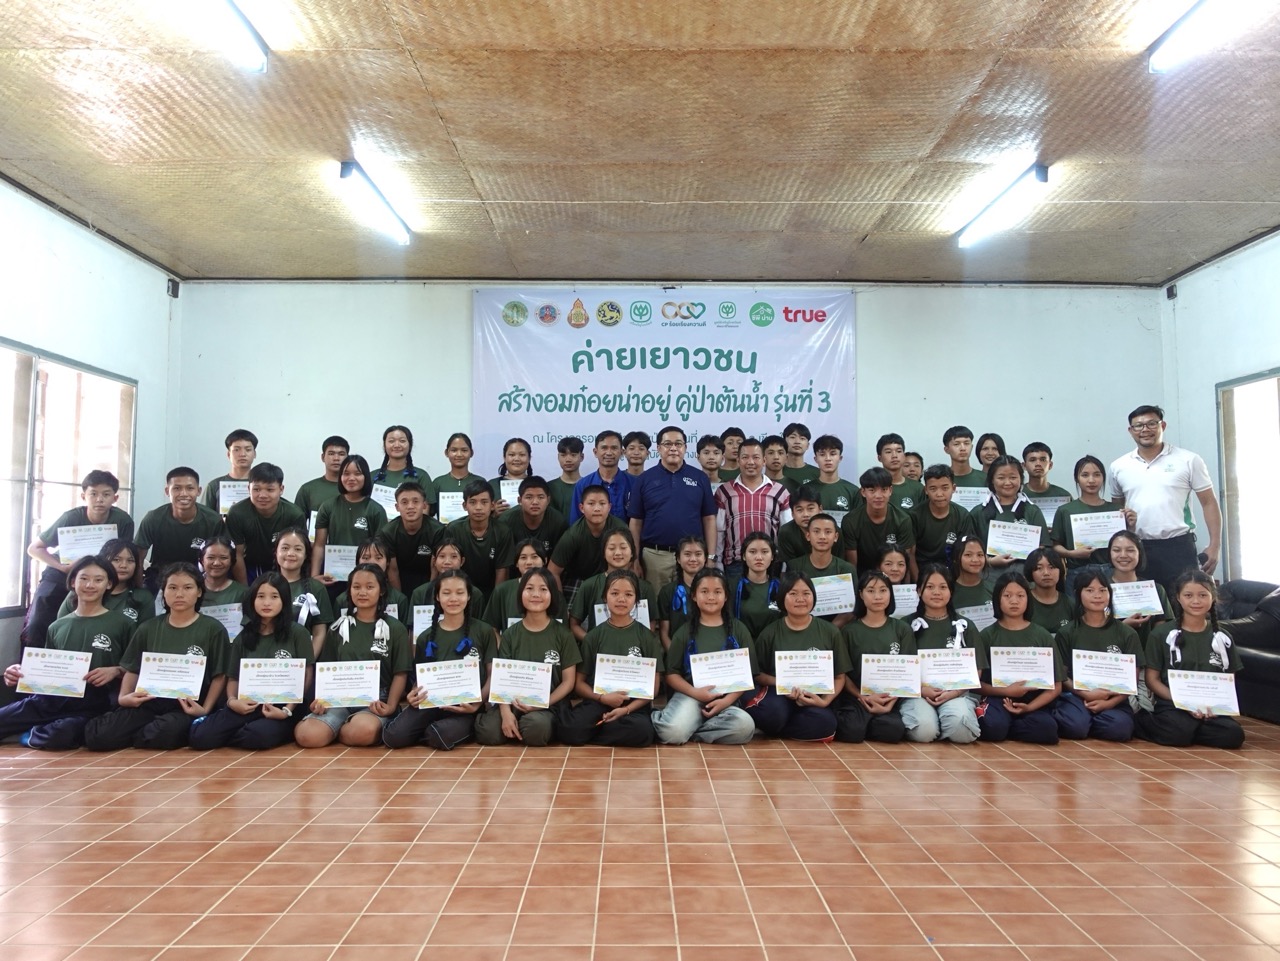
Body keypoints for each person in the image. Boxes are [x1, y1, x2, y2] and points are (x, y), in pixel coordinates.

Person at [83, 562, 229, 751]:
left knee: (164, 733)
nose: (179, 594)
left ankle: (136, 735)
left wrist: (205, 709)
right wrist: (124, 697)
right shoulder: (148, 628)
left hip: (186, 705)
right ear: (163, 592)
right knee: (99, 736)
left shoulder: (213, 629)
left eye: (187, 588)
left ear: (199, 592)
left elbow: (219, 676)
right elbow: (132, 668)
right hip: (148, 701)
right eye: (172, 588)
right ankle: (136, 734)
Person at [0, 556, 133, 749]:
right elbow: (46, 670)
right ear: (72, 582)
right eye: (84, 578)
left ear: (109, 584)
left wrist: (115, 670)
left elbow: (134, 666)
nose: (90, 585)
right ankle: (36, 727)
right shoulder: (57, 626)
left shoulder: (123, 624)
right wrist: (20, 672)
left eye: (98, 580)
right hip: (49, 699)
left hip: (92, 703)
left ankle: (30, 734)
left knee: (62, 734)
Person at [188, 572, 315, 751]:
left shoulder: (298, 633)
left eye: (274, 597)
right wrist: (232, 701)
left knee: (257, 736)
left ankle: (242, 732)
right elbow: (233, 677)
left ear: (284, 600)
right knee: (200, 736)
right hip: (248, 704)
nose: (267, 603)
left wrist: (287, 710)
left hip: (283, 708)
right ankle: (239, 730)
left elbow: (307, 674)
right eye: (260, 596)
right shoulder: (243, 636)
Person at [294, 563, 410, 748]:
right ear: (349, 591)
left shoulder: (396, 629)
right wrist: (321, 699)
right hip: (339, 698)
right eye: (356, 587)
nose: (362, 592)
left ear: (381, 590)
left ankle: (339, 729)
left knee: (362, 733)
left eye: (369, 587)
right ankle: (337, 726)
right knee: (306, 735)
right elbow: (326, 669)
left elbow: (400, 673)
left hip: (376, 700)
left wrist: (390, 706)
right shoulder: (337, 628)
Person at [1109, 404, 1222, 586]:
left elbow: (1209, 502)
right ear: (1130, 431)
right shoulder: (1118, 466)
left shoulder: (1188, 460)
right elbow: (1117, 508)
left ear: (1162, 426)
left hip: (1178, 546)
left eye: (1151, 423)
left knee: (1182, 599)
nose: (1145, 429)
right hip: (1137, 548)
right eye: (1138, 425)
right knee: (1144, 601)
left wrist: (1215, 546)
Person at [384, 570, 496, 751]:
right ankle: (429, 728)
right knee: (393, 736)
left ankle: (445, 729)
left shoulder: (483, 631)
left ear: (469, 596)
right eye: (446, 593)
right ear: (437, 597)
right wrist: (414, 694)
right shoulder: (425, 637)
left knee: (439, 735)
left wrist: (477, 703)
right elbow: (420, 679)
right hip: (432, 703)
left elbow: (492, 673)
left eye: (460, 592)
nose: (453, 599)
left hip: (466, 707)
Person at [23, 469, 133, 648]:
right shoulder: (70, 517)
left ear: (115, 498)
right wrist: (62, 567)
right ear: (83, 496)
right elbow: (34, 549)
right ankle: (33, 662)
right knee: (37, 622)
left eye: (106, 494)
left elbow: (124, 554)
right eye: (93, 494)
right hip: (61, 573)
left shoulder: (123, 520)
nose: (99, 499)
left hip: (98, 578)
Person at [1134, 570, 1244, 749]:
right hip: (1173, 704)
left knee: (1233, 735)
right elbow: (1152, 680)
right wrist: (1183, 702)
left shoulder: (1223, 637)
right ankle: (1145, 722)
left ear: (1213, 597)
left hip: (1210, 707)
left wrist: (1216, 705)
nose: (1196, 601)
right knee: (1178, 729)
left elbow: (1229, 679)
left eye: (1203, 595)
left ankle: (1189, 731)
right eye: (1188, 595)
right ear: (1178, 598)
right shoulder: (1160, 634)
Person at [651, 568, 757, 745]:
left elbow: (747, 676)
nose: (711, 597)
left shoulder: (739, 629)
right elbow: (671, 674)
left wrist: (726, 702)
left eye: (717, 592)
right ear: (694, 596)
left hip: (726, 700)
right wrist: (695, 693)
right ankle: (675, 724)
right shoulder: (684, 632)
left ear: (726, 596)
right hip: (690, 695)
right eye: (704, 591)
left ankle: (692, 730)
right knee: (672, 733)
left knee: (744, 727)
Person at [474, 569, 579, 746]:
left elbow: (568, 682)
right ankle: (513, 724)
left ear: (552, 595)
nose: (536, 594)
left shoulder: (563, 634)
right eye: (529, 588)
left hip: (548, 705)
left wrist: (542, 703)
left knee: (536, 728)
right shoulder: (510, 634)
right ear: (520, 593)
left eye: (543, 589)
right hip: (512, 701)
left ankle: (525, 727)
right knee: (488, 732)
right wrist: (506, 713)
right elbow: (501, 679)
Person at [557, 570, 661, 748]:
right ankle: (605, 727)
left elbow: (654, 687)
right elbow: (579, 684)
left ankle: (595, 730)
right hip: (599, 701)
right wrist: (602, 699)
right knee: (570, 729)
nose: (621, 599)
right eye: (614, 593)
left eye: (628, 594)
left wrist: (626, 709)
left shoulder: (647, 637)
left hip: (633, 705)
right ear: (605, 597)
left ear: (636, 600)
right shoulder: (593, 637)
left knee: (642, 732)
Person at [746, 571, 846, 741]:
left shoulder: (830, 632)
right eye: (793, 594)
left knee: (826, 724)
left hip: (813, 697)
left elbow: (839, 676)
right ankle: (777, 723)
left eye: (806, 593)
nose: (800, 599)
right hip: (779, 696)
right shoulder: (770, 633)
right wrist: (783, 684)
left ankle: (779, 730)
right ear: (782, 598)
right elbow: (758, 674)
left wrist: (824, 702)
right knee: (772, 714)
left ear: (814, 597)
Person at [1052, 571, 1144, 742]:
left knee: (1121, 730)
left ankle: (1091, 721)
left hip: (1114, 698)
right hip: (1077, 697)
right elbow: (1062, 675)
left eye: (1102, 590)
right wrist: (1086, 694)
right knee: (1075, 727)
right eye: (1090, 590)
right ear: (1078, 594)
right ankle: (1086, 721)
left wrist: (1109, 703)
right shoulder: (1067, 632)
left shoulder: (1127, 633)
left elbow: (1133, 677)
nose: (1097, 596)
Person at [975, 572, 1063, 744]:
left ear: (1028, 599)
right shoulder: (987, 635)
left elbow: (1057, 685)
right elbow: (976, 684)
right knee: (993, 728)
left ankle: (1011, 726)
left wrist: (1029, 707)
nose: (1014, 601)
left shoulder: (1042, 635)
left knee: (1048, 730)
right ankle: (1004, 726)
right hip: (999, 698)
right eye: (1007, 596)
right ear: (997, 600)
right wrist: (1006, 691)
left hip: (1034, 701)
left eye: (1020, 596)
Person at [628, 425, 717, 592]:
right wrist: (634, 559)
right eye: (668, 444)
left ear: (685, 448)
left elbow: (709, 519)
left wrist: (711, 557)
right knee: (657, 602)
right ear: (658, 448)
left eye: (678, 444)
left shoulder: (699, 478)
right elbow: (635, 522)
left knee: (693, 601)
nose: (673, 448)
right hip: (655, 557)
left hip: (692, 556)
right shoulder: (644, 479)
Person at [834, 571, 917, 743]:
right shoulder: (849, 631)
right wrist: (861, 696)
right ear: (861, 594)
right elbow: (843, 672)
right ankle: (863, 722)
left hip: (890, 698)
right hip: (857, 697)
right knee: (851, 731)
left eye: (883, 590)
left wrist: (891, 702)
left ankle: (871, 722)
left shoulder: (902, 629)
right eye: (871, 591)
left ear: (890, 593)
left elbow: (908, 672)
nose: (877, 596)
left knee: (893, 731)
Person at [906, 564, 983, 744]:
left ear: (951, 591)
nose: (936, 592)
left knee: (962, 730)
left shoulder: (965, 626)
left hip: (956, 693)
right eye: (930, 587)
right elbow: (899, 669)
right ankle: (935, 724)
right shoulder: (906, 625)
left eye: (943, 587)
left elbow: (977, 668)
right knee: (924, 731)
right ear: (919, 591)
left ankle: (944, 722)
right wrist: (922, 690)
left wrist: (954, 692)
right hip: (917, 693)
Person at [134, 467, 225, 591]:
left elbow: (220, 558)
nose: (183, 494)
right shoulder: (153, 518)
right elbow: (138, 558)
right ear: (167, 491)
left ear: (199, 491)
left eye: (190, 488)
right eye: (177, 488)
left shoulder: (213, 520)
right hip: (160, 578)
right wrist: (139, 592)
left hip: (199, 578)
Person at [715, 438, 791, 578]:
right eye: (745, 457)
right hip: (735, 564)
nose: (750, 462)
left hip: (771, 564)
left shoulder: (780, 492)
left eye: (756, 457)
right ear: (738, 461)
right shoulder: (724, 492)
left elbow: (786, 531)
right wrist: (717, 562)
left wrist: (785, 564)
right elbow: (719, 531)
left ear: (764, 461)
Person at [966, 455, 1048, 581]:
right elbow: (968, 550)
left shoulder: (1032, 511)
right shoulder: (978, 513)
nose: (1008, 482)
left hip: (1025, 580)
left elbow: (1044, 547)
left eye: (1013, 477)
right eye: (1001, 478)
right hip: (988, 580)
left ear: (1021, 479)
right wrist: (990, 561)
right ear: (992, 480)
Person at [1050, 455, 1133, 581]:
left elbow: (1128, 543)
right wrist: (1071, 554)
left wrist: (1132, 524)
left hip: (1112, 571)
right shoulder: (1065, 510)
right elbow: (1055, 545)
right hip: (1078, 572)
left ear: (1103, 478)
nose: (1091, 480)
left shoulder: (1116, 510)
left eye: (1097, 475)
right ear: (1077, 479)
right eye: (1085, 475)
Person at [312, 455, 387, 587]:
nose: (351, 478)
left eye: (357, 474)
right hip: (334, 578)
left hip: (366, 578)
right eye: (346, 474)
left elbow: (379, 550)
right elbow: (319, 545)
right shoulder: (328, 506)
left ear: (365, 477)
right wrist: (314, 578)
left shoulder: (376, 510)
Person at [570, 528, 658, 640]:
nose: (618, 553)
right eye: (611, 548)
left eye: (623, 548)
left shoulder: (645, 587)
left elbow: (651, 623)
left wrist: (642, 643)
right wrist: (591, 642)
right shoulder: (589, 585)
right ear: (603, 552)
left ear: (632, 552)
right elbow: (574, 624)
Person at [227, 463, 305, 584]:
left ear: (281, 489)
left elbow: (299, 551)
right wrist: (244, 589)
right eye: (256, 489)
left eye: (270, 490)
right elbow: (237, 555)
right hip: (250, 565)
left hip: (283, 565)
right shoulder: (237, 513)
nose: (262, 495)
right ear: (248, 489)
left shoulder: (294, 514)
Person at [549, 485, 627, 602]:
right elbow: (553, 571)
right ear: (581, 508)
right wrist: (560, 604)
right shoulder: (573, 535)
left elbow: (628, 562)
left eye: (602, 503)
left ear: (609, 507)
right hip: (578, 579)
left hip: (611, 576)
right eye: (591, 504)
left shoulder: (620, 528)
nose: (597, 508)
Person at [841, 467, 917, 580]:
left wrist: (904, 590)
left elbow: (904, 562)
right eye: (872, 490)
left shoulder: (903, 520)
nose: (878, 496)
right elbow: (852, 564)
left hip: (893, 577)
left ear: (890, 491)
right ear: (863, 492)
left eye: (884, 489)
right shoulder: (850, 521)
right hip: (863, 577)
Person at [58, 538, 155, 624]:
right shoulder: (84, 590)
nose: (124, 565)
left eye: (130, 561)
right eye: (116, 560)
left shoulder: (143, 597)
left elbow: (145, 634)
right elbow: (61, 625)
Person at [443, 480, 515, 596]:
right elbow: (450, 567)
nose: (478, 508)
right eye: (473, 502)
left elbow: (502, 570)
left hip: (492, 590)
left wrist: (495, 600)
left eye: (484, 502)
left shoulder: (503, 531)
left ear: (492, 505)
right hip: (461, 590)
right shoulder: (453, 529)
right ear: (464, 506)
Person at [272, 527, 333, 657]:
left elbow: (319, 632)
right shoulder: (265, 585)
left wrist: (307, 662)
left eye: (298, 549)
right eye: (285, 548)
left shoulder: (316, 588)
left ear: (306, 555)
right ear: (276, 552)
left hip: (302, 657)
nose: (290, 553)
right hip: (268, 660)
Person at [1107, 529, 1172, 650]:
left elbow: (1162, 631)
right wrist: (1123, 627)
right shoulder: (1101, 589)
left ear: (1140, 553)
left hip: (1149, 655)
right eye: (1116, 550)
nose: (1123, 555)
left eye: (1130, 550)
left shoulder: (1156, 589)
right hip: (1111, 656)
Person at [788, 513, 855, 628]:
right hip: (803, 628)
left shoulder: (846, 569)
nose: (822, 537)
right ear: (808, 536)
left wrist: (827, 631)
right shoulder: (794, 566)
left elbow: (851, 610)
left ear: (836, 537)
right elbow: (789, 603)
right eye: (816, 531)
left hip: (837, 630)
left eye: (828, 532)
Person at [379, 481, 444, 597]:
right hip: (400, 579)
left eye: (415, 501)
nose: (410, 507)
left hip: (428, 578)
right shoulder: (388, 532)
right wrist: (400, 599)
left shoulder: (437, 530)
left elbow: (435, 568)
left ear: (424, 505)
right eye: (404, 502)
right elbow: (393, 570)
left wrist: (429, 596)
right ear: (397, 507)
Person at [484, 539, 565, 628]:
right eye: (523, 557)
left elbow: (561, 630)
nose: (529, 562)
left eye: (534, 557)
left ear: (545, 560)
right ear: (516, 563)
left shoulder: (555, 594)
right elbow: (490, 628)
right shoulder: (502, 591)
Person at [334, 536, 411, 628]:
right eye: (366, 558)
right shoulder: (341, 601)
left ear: (387, 562)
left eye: (378, 558)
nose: (372, 562)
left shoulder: (399, 599)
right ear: (357, 562)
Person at [408, 538, 488, 623]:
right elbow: (412, 628)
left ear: (462, 561)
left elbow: (480, 627)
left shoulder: (475, 594)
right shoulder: (420, 593)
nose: (447, 562)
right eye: (442, 556)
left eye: (454, 557)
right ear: (434, 561)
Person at [500, 476, 568, 563]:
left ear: (548, 500)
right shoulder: (506, 521)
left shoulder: (558, 522)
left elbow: (559, 560)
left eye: (540, 497)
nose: (535, 502)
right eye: (529, 497)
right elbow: (503, 560)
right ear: (519, 500)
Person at [729, 532, 783, 640]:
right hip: (741, 644)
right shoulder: (732, 586)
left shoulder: (781, 587)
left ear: (772, 556)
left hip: (774, 643)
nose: (759, 557)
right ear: (744, 556)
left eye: (765, 552)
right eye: (752, 552)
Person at [912, 464, 969, 567]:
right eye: (933, 489)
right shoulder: (915, 516)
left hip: (952, 569)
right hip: (922, 570)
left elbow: (964, 552)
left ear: (953, 488)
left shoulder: (962, 515)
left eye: (945, 488)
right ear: (926, 490)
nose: (939, 494)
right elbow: (910, 554)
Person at [570, 430, 633, 524]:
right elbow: (576, 523)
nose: (609, 453)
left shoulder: (634, 483)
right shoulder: (582, 485)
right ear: (595, 452)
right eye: (604, 448)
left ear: (622, 452)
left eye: (614, 448)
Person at [657, 536, 707, 650]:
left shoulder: (714, 590)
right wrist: (675, 656)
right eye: (687, 554)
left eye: (698, 554)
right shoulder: (667, 591)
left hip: (708, 655)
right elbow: (664, 633)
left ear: (705, 558)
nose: (693, 559)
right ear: (678, 559)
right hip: (677, 652)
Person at [371, 425, 432, 515]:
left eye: (402, 441)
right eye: (391, 441)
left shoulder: (421, 476)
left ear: (410, 445)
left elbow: (425, 511)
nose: (397, 445)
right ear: (384, 446)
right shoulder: (372, 476)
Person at [778, 484, 846, 562]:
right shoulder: (786, 532)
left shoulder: (833, 531)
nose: (805, 514)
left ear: (820, 509)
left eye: (810, 508)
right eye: (799, 510)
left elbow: (839, 562)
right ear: (792, 514)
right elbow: (790, 565)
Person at [293, 435, 349, 530]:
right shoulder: (308, 489)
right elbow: (296, 526)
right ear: (323, 457)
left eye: (341, 454)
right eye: (331, 453)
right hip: (316, 539)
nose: (336, 458)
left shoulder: (355, 488)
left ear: (347, 458)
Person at [432, 433, 487, 523]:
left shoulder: (480, 481)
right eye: (454, 450)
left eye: (464, 450)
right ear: (446, 453)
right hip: (445, 531)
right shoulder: (438, 483)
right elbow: (430, 512)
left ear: (471, 453)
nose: (459, 454)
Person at [201, 428, 258, 514]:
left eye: (248, 449)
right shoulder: (214, 486)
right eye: (236, 449)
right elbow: (204, 517)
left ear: (254, 454)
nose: (242, 454)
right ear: (228, 454)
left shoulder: (262, 484)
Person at [811, 435, 862, 525]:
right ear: (816, 459)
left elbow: (858, 523)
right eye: (822, 454)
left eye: (833, 454)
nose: (828, 459)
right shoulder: (806, 490)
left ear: (840, 458)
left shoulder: (853, 491)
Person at [1025, 548, 1073, 634]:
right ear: (1030, 572)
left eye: (1051, 567)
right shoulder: (1023, 601)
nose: (1046, 573)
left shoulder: (1071, 604)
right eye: (1039, 568)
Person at [877, 433, 925, 512]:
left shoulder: (918, 488)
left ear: (904, 456)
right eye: (888, 452)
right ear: (879, 458)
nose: (894, 456)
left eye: (899, 451)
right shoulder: (872, 488)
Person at [949, 534, 992, 616]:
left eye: (980, 555)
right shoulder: (948, 592)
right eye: (968, 555)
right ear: (956, 559)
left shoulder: (994, 588)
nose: (975, 560)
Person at [488, 436, 533, 515]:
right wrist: (493, 513)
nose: (517, 459)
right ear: (504, 457)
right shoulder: (492, 485)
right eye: (512, 455)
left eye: (522, 455)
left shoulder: (537, 484)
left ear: (529, 458)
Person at [546, 436, 585, 518]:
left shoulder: (588, 485)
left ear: (581, 457)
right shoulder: (548, 487)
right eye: (563, 455)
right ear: (558, 457)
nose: (568, 460)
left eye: (573, 455)